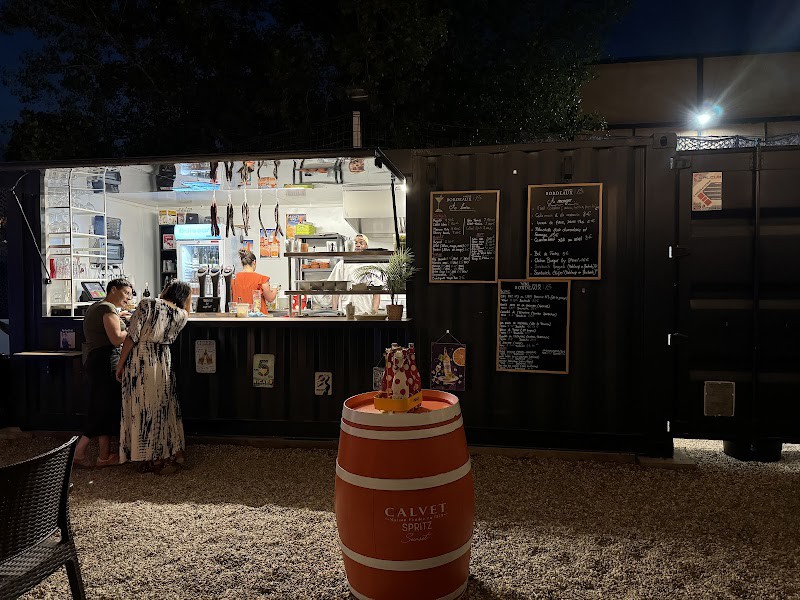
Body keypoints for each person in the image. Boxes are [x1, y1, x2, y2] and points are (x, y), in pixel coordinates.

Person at [115, 280, 191, 474]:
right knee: (163, 407)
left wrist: (120, 363)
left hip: (142, 359)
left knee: (143, 408)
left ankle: (148, 455)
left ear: (167, 290)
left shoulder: (148, 303)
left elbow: (132, 336)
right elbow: (187, 310)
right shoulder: (182, 315)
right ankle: (166, 453)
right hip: (163, 360)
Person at [73, 278, 132, 468]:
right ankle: (78, 452)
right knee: (101, 408)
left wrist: (119, 315)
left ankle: (103, 456)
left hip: (96, 361)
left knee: (103, 406)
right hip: (105, 362)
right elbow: (116, 339)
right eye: (126, 293)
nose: (128, 297)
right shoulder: (106, 309)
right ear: (113, 290)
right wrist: (132, 329)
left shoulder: (99, 307)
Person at [328, 233, 381, 315]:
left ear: (366, 246)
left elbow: (377, 293)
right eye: (355, 243)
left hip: (365, 311)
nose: (358, 245)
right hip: (345, 311)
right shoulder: (342, 264)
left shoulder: (372, 266)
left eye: (361, 243)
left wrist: (374, 312)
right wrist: (334, 312)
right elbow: (335, 289)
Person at [230, 248, 278, 312]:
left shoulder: (234, 279)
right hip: (258, 318)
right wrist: (275, 290)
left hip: (240, 316)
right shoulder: (262, 279)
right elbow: (270, 298)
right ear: (254, 262)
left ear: (242, 263)